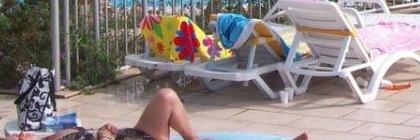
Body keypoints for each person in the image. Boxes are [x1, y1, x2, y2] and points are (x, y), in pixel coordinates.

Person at [28, 89, 308, 140]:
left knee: (166, 97)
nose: (20, 135)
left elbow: (87, 132)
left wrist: (104, 128)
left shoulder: (51, 138)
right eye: (17, 139)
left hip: (132, 134)